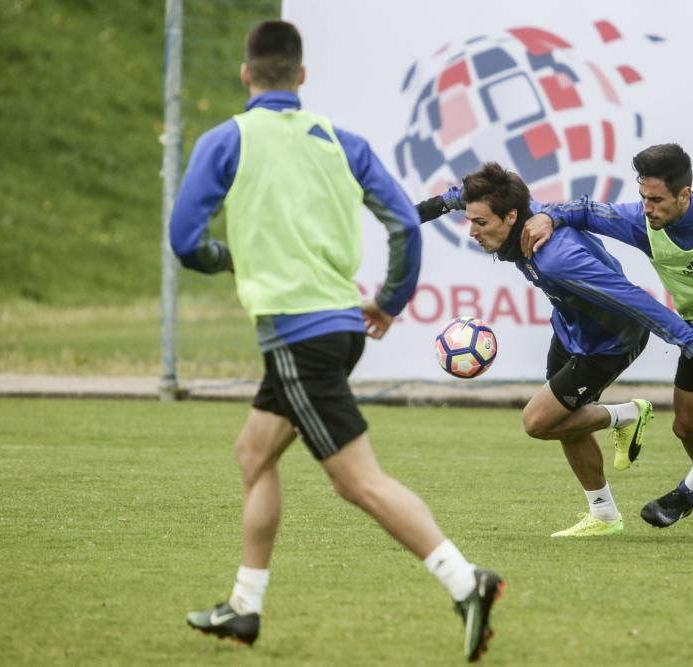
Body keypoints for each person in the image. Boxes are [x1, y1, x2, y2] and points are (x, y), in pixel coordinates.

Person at [168, 20, 503, 662]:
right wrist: (390, 301)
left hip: (298, 336)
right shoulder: (339, 139)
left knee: (357, 482)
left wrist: (229, 258)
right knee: (252, 454)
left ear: (246, 76)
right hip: (342, 327)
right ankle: (243, 608)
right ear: (300, 77)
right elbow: (404, 221)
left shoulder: (226, 139)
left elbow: (186, 242)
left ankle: (468, 583)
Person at [415, 162, 693, 539]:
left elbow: (635, 300)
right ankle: (603, 515)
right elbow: (462, 196)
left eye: (481, 224)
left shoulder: (559, 258)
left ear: (510, 217)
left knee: (538, 422)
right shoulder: (517, 209)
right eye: (470, 220)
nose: (472, 231)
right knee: (564, 422)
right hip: (570, 331)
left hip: (610, 342)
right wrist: (427, 210)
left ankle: (627, 415)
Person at [521, 143, 693, 528]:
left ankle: (687, 492)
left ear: (684, 194)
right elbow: (583, 210)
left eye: (656, 199)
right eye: (643, 197)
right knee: (685, 429)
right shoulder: (640, 222)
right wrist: (548, 216)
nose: (648, 208)